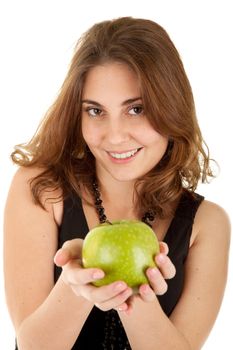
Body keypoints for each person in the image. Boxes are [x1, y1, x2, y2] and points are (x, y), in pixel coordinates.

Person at [4, 16, 230, 350]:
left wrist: (139, 297)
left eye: (136, 109)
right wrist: (74, 284)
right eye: (95, 111)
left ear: (172, 107)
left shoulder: (208, 224)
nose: (114, 135)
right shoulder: (40, 189)